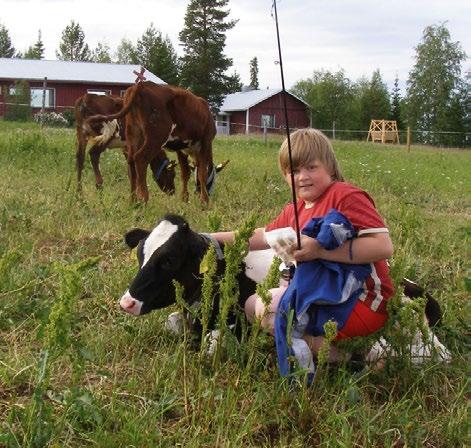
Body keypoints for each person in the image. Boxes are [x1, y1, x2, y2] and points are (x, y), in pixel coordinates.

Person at [212, 128, 394, 363]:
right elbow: (260, 236)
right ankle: (321, 348)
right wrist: (207, 237)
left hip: (361, 301)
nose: (302, 177)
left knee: (269, 311)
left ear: (329, 165)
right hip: (323, 297)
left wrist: (319, 249)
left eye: (311, 167)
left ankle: (354, 360)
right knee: (251, 306)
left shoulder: (344, 196)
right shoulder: (295, 210)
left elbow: (383, 246)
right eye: (293, 170)